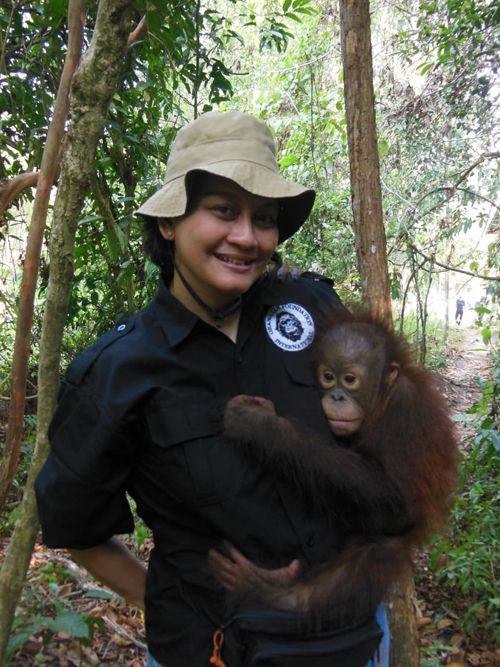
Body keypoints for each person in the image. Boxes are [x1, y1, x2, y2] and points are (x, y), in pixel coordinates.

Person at [35, 111, 389, 667]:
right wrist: (171, 601)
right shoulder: (117, 370)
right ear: (170, 221)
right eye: (223, 211)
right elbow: (75, 525)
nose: (247, 238)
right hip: (218, 648)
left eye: (264, 218)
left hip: (356, 636)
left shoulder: (314, 311)